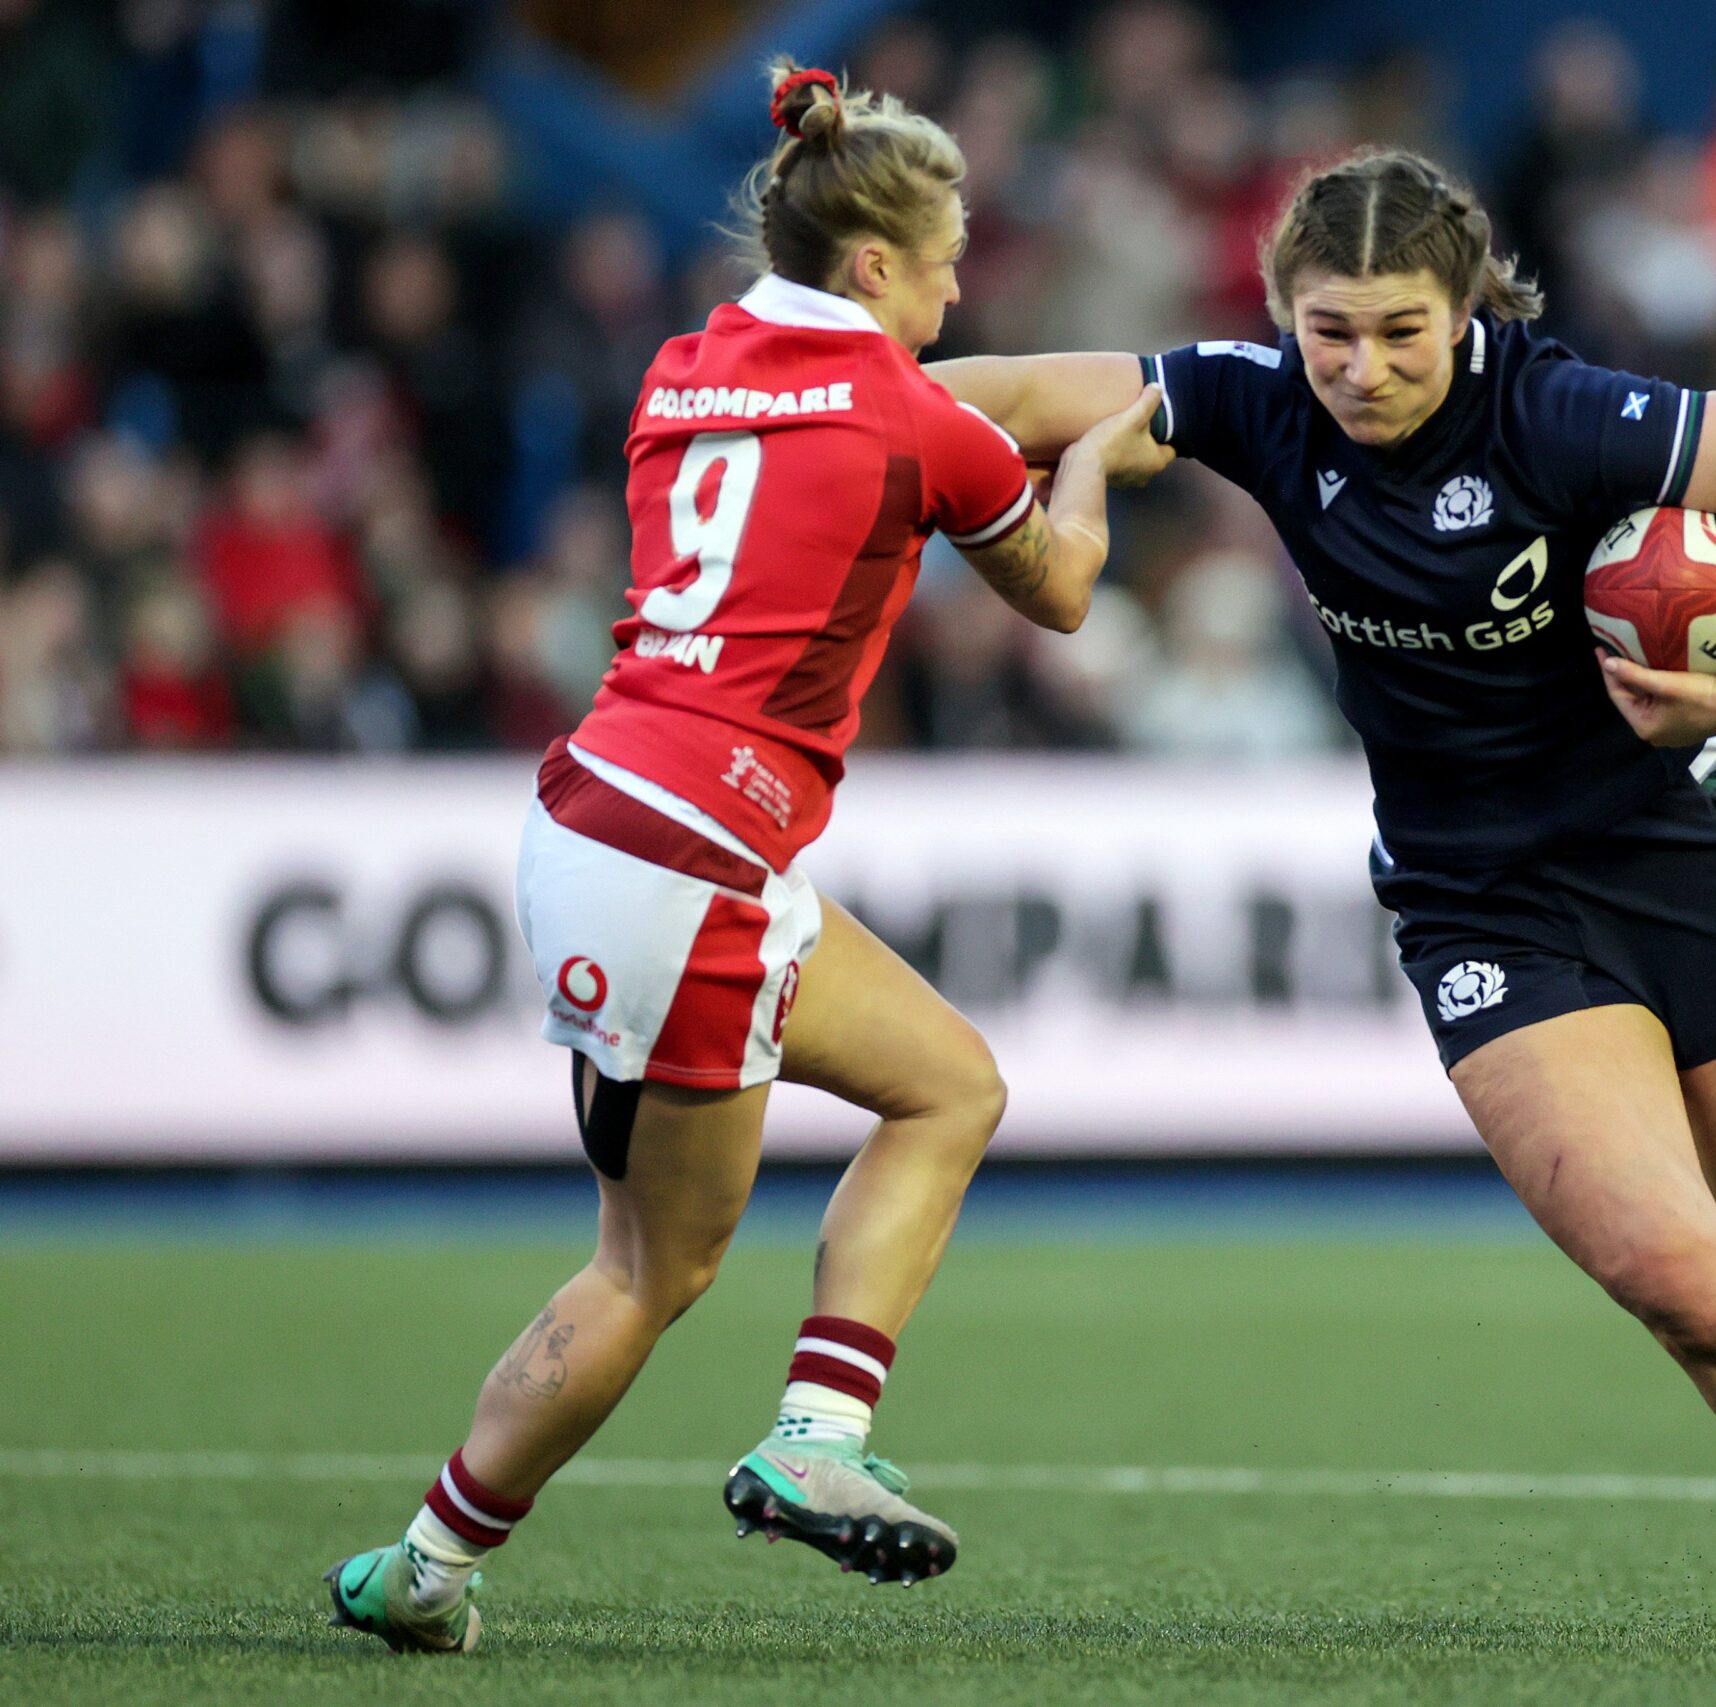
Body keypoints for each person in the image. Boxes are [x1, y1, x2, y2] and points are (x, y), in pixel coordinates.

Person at [934, 148, 1716, 1660]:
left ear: (1465, 309)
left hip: (1680, 845)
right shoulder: (1255, 401)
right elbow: (1002, 396)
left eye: (1402, 330)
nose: (1362, 368)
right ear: (1284, 312)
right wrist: (815, 394)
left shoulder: (1558, 413)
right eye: (1330, 331)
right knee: (1683, 1283)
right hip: (1481, 904)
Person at [322, 63, 1170, 1654]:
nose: (955, 291)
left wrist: (1014, 404)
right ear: (875, 264)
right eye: (941, 265)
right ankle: (779, 1453)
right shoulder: (917, 422)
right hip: (703, 859)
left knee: (945, 1086)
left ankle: (423, 1574)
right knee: (654, 1271)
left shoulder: (683, 366)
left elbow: (904, 400)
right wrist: (1090, 468)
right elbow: (1059, 592)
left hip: (596, 809)